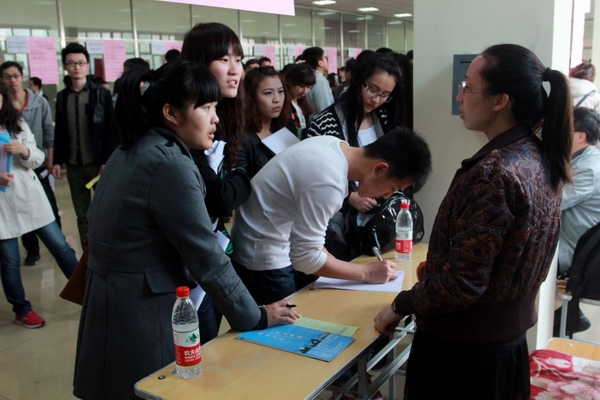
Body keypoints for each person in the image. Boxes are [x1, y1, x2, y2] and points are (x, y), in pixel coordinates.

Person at [72, 60, 299, 400]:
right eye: (205, 108)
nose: (215, 118)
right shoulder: (168, 163)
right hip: (141, 309)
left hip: (111, 298)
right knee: (150, 389)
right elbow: (206, 257)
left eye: (215, 107)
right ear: (171, 113)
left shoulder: (130, 149)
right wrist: (255, 316)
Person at [374, 44, 572, 399]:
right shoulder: (538, 156)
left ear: (500, 101)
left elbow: (462, 284)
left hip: (464, 358)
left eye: (468, 87)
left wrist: (399, 306)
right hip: (503, 344)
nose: (459, 96)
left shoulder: (494, 173)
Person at [230, 128, 432, 306]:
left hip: (261, 244)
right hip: (262, 260)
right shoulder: (329, 181)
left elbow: (310, 243)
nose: (387, 196)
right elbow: (305, 258)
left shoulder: (333, 146)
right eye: (393, 188)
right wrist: (366, 273)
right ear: (380, 169)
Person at [181, 22, 251, 340]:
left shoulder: (229, 116)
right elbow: (219, 197)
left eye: (239, 59)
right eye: (224, 59)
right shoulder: (186, 125)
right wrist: (242, 177)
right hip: (187, 265)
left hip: (216, 248)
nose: (235, 69)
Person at [0, 83, 77, 329]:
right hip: (2, 205)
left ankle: (89, 293)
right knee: (10, 261)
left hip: (29, 196)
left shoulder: (17, 122)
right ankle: (22, 309)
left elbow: (37, 158)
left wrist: (23, 150)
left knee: (60, 247)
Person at [52, 43, 115, 249]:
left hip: (98, 164)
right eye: (72, 63)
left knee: (108, 210)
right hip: (74, 165)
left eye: (81, 62)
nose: (77, 67)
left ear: (88, 65)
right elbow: (60, 131)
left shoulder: (101, 94)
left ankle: (110, 251)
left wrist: (107, 161)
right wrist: (56, 161)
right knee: (82, 215)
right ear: (65, 67)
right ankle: (88, 256)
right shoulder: (62, 97)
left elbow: (110, 130)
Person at [1, 61, 60, 266]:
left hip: (34, 162)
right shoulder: (4, 104)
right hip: (9, 175)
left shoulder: (37, 102)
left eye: (15, 75)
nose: (12, 80)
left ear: (22, 76)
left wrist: (50, 159)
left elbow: (48, 132)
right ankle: (32, 250)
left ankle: (56, 243)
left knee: (47, 207)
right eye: (7, 77)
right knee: (19, 217)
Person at [237, 67, 291, 179]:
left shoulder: (286, 126)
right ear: (251, 97)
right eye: (268, 93)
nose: (277, 99)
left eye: (280, 91)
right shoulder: (242, 137)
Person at [282, 62, 315, 137]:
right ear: (290, 82)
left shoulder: (302, 104)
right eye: (301, 86)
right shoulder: (282, 104)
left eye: (308, 87)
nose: (305, 91)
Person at [301, 46, 334, 114]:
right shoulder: (320, 81)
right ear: (320, 63)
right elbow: (324, 108)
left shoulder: (309, 77)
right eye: (324, 58)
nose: (327, 60)